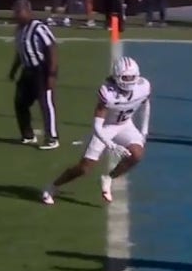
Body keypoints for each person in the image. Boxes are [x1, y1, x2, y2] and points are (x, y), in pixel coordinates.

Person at [42, 56, 151, 205]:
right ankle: (52, 187)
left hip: (126, 124)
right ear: (117, 77)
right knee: (84, 169)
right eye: (125, 78)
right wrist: (110, 144)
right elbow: (97, 125)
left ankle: (109, 178)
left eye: (132, 77)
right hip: (106, 128)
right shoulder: (108, 93)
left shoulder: (143, 86)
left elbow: (146, 104)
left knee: (137, 155)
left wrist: (144, 131)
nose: (130, 81)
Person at [10, 0, 60, 149]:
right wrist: (13, 70)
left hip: (41, 70)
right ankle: (28, 134)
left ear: (28, 11)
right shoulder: (19, 30)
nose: (17, 15)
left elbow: (51, 48)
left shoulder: (38, 27)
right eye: (15, 12)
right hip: (27, 71)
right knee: (20, 102)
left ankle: (52, 138)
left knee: (45, 103)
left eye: (19, 12)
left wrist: (51, 74)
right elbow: (20, 53)